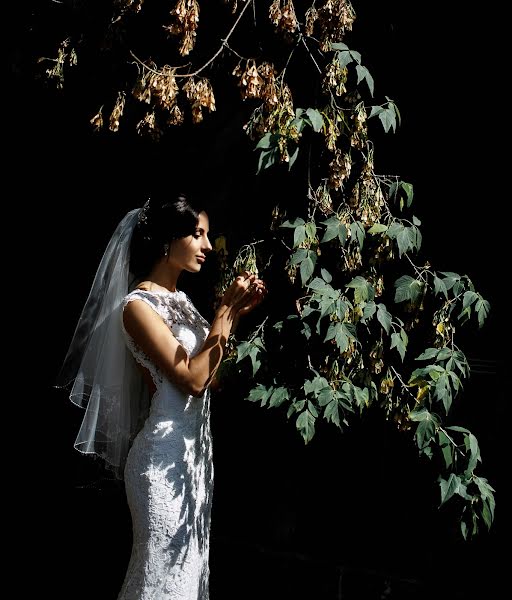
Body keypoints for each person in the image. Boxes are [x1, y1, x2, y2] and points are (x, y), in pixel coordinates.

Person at [57, 192, 267, 599]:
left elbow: (211, 379)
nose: (207, 245)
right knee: (161, 580)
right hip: (161, 459)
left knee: (188, 578)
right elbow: (190, 379)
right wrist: (224, 311)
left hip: (195, 460)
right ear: (167, 240)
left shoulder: (184, 303)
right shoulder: (137, 307)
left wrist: (235, 315)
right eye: (197, 234)